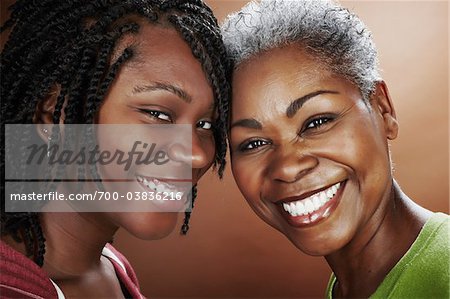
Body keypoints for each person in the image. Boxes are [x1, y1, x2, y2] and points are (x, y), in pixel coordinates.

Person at [0, 0, 230, 298]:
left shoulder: (113, 267)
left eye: (206, 124)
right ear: (52, 115)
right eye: (158, 114)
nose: (197, 154)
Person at [221, 0, 449, 298]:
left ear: (383, 109)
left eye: (316, 122)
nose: (287, 167)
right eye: (253, 143)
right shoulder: (346, 287)